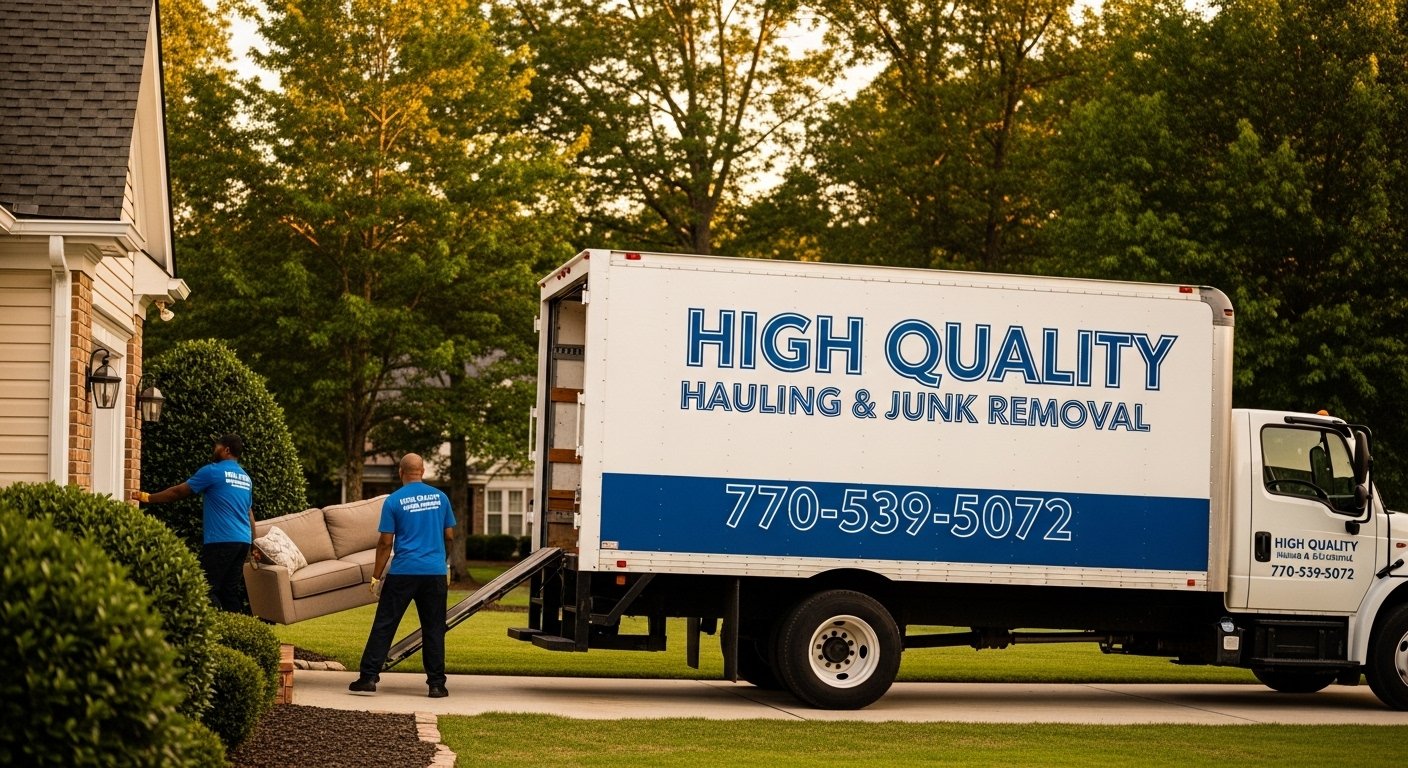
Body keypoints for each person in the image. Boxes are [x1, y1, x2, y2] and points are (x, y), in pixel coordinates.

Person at [349, 453, 457, 698]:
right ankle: (436, 685)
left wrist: (376, 577)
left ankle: (368, 678)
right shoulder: (441, 498)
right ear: (423, 470)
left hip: (403, 571)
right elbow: (449, 535)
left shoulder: (394, 501)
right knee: (433, 628)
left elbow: (386, 543)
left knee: (385, 623)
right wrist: (442, 561)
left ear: (400, 472)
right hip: (434, 572)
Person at [134, 434, 255, 611]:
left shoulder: (213, 471)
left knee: (203, 587)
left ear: (226, 450)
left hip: (221, 540)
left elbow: (178, 492)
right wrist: (253, 546)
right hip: (243, 541)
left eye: (217, 446)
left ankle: (210, 628)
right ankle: (237, 634)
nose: (215, 449)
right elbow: (250, 514)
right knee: (229, 592)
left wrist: (148, 497)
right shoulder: (246, 478)